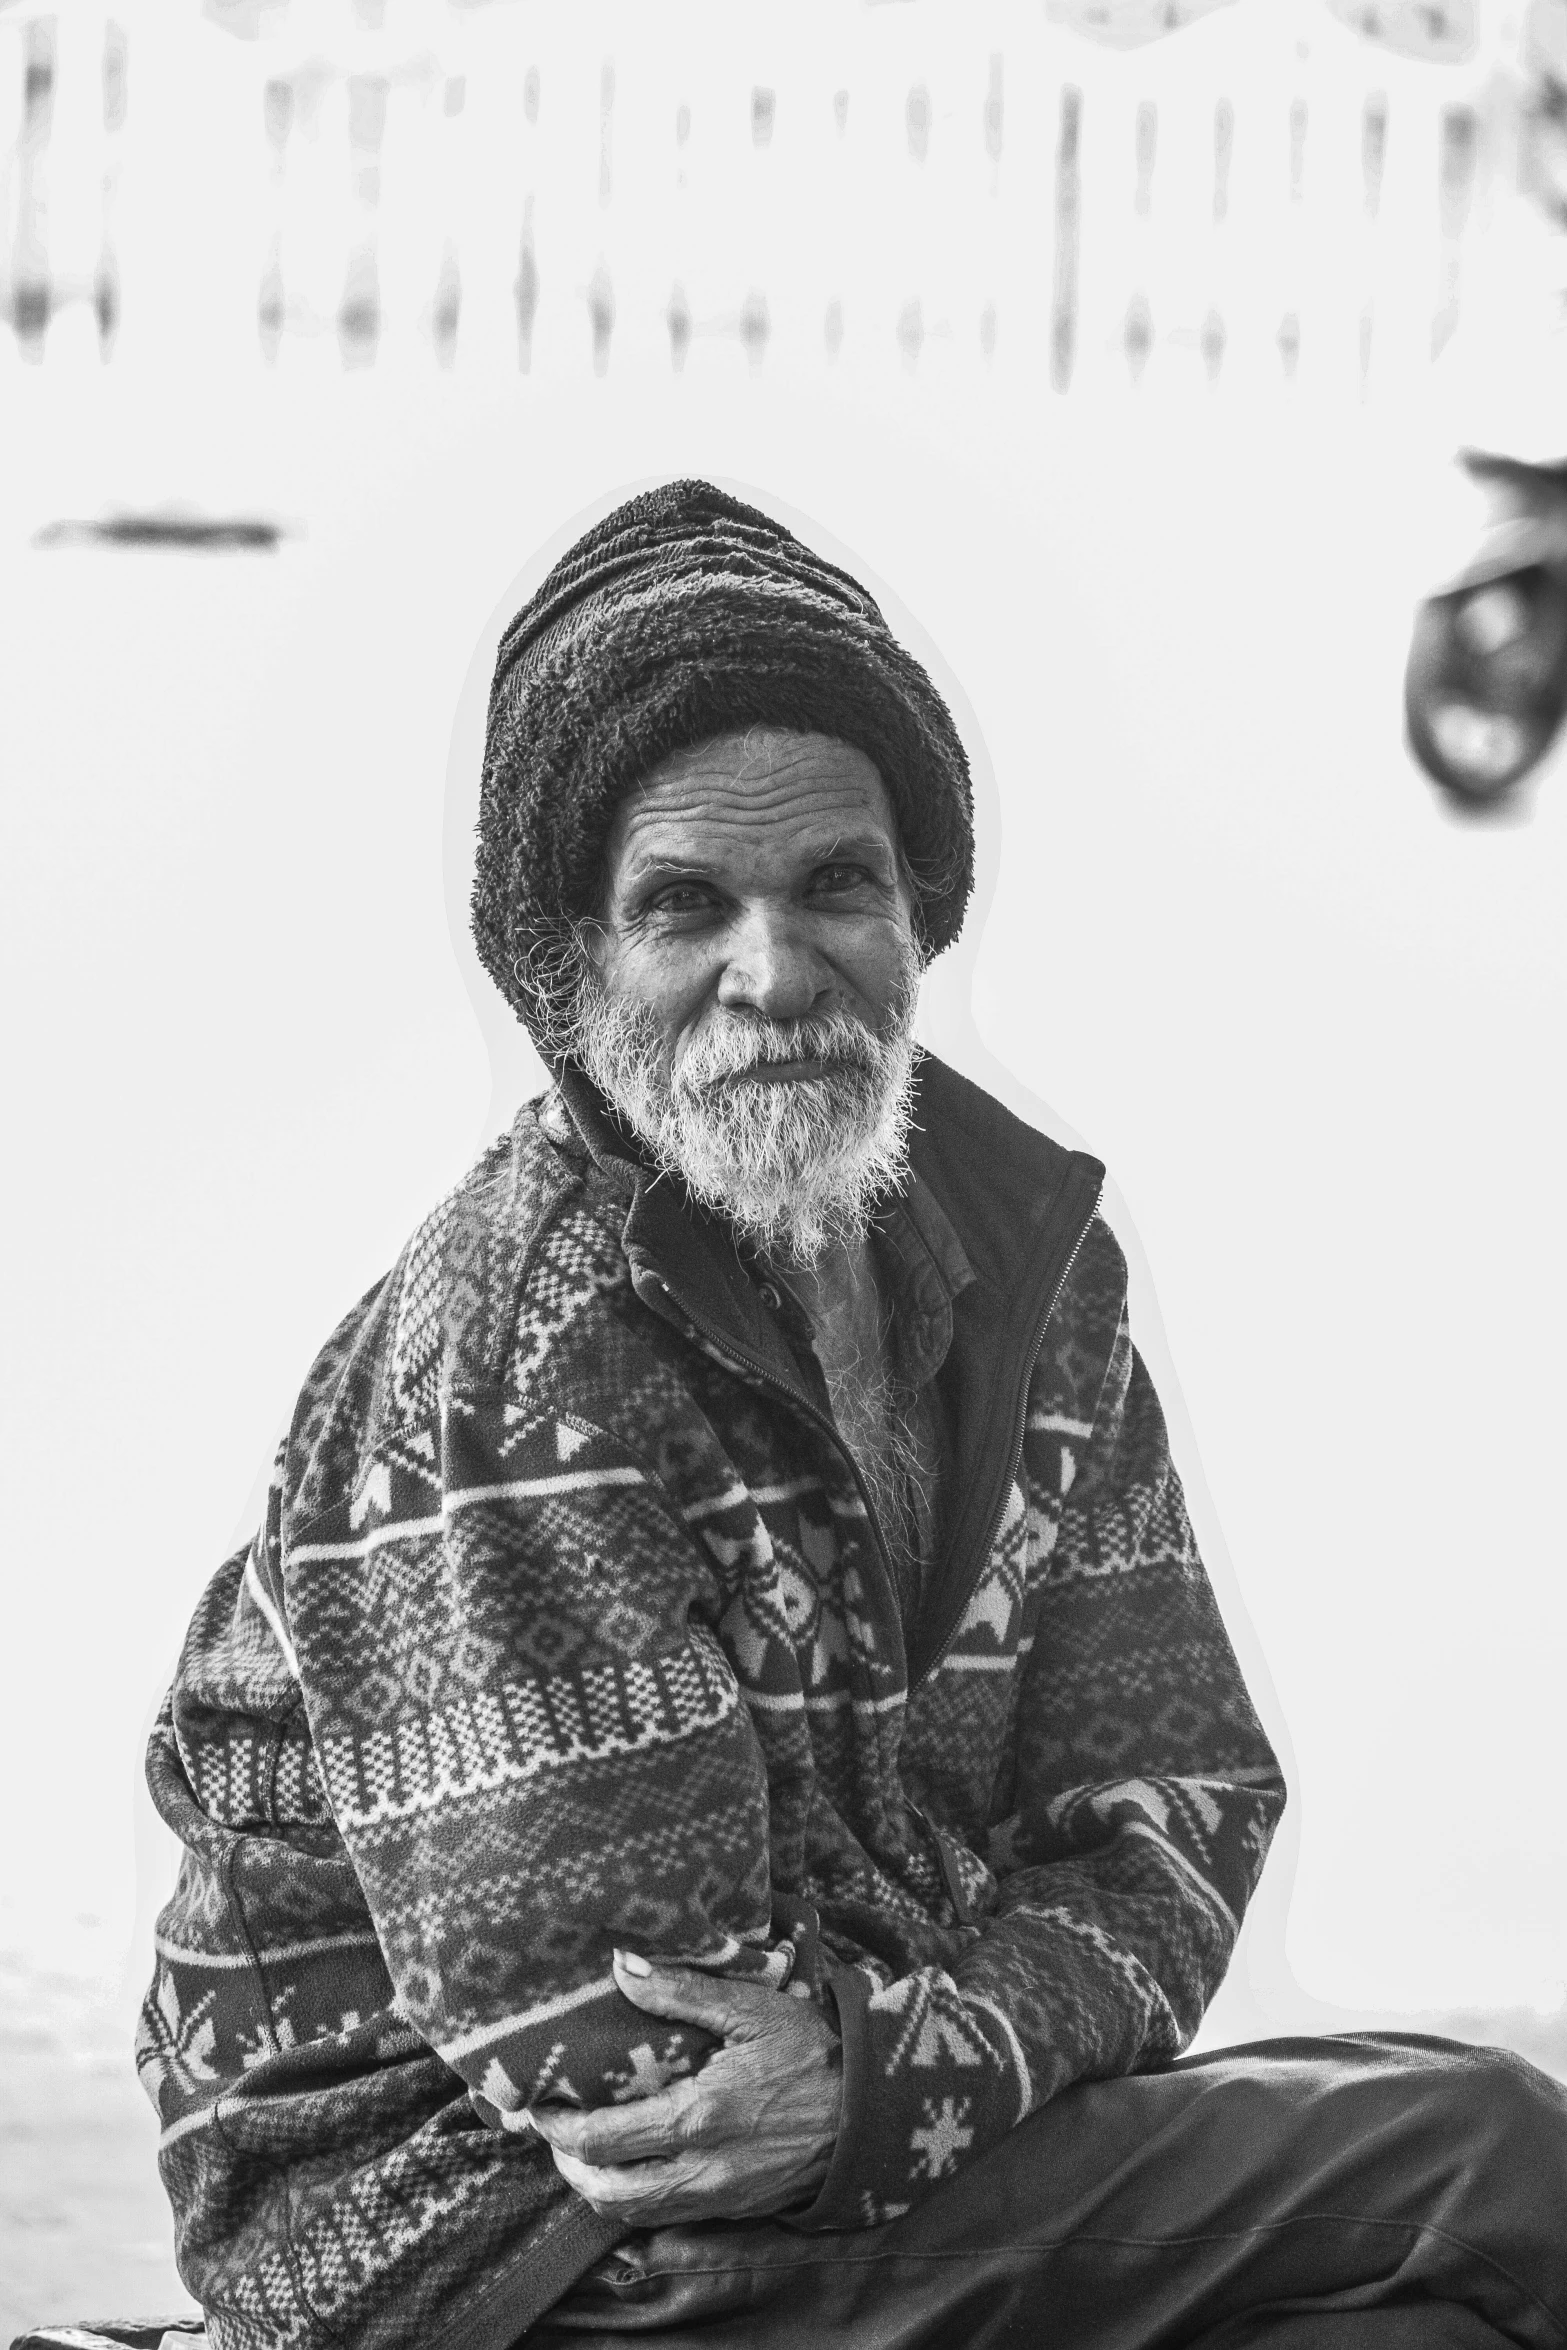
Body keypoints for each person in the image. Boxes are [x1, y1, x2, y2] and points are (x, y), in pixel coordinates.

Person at [138, 482, 1567, 2350]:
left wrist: (906, 2050)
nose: (774, 965)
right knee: (1494, 2160)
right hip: (487, 2249)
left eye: (835, 883)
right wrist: (985, 2004)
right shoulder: (502, 1371)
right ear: (568, 970)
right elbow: (649, 2083)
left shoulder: (1030, 1272)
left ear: (918, 913)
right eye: (683, 904)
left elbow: (1178, 1804)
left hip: (851, 2180)